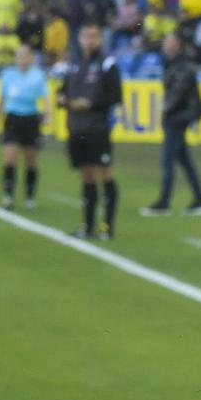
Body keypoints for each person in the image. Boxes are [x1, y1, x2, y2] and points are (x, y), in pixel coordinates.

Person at [57, 23, 123, 240]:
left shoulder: (107, 64)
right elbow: (63, 91)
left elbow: (116, 96)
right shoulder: (74, 64)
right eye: (86, 36)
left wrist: (91, 103)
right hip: (76, 127)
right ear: (79, 39)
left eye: (94, 37)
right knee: (85, 176)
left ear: (100, 40)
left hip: (97, 127)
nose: (89, 41)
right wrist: (63, 99)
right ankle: (87, 226)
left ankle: (107, 227)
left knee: (105, 172)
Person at [142, 33, 201, 216]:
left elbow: (178, 94)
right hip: (179, 116)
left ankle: (164, 202)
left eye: (169, 41)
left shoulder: (182, 66)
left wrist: (164, 111)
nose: (165, 44)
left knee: (168, 160)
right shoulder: (174, 63)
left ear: (178, 44)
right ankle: (200, 200)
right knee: (184, 160)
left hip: (178, 117)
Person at [0, 42, 50, 210]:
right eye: (18, 56)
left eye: (24, 56)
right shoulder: (7, 75)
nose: (21, 59)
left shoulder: (38, 76)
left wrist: (47, 115)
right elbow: (1, 99)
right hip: (12, 119)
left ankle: (29, 197)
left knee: (31, 161)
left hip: (31, 119)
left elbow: (46, 98)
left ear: (31, 58)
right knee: (10, 158)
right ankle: (8, 196)